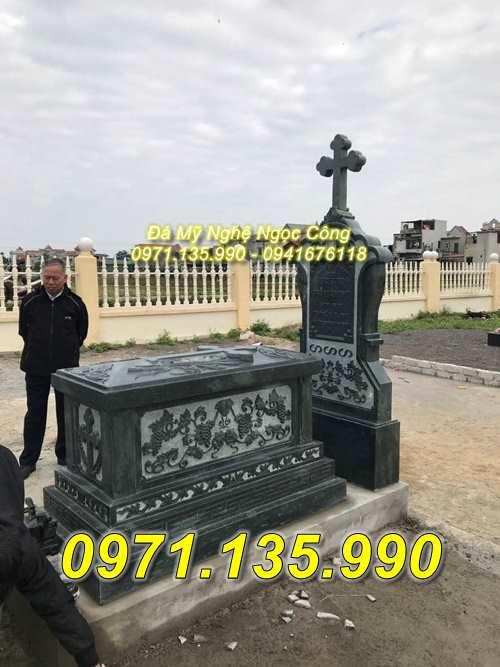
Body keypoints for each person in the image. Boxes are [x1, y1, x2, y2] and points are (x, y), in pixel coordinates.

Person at [0, 445, 105, 667]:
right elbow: (55, 601)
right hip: (17, 545)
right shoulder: (4, 457)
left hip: (13, 547)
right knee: (51, 595)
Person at [18, 258, 89, 479]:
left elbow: (81, 333)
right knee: (35, 414)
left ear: (64, 278)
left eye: (54, 278)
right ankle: (28, 460)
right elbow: (24, 332)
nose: (49, 281)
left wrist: (65, 352)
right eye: (46, 277)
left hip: (65, 370)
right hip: (35, 367)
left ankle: (65, 455)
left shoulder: (75, 304)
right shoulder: (30, 302)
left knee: (65, 413)